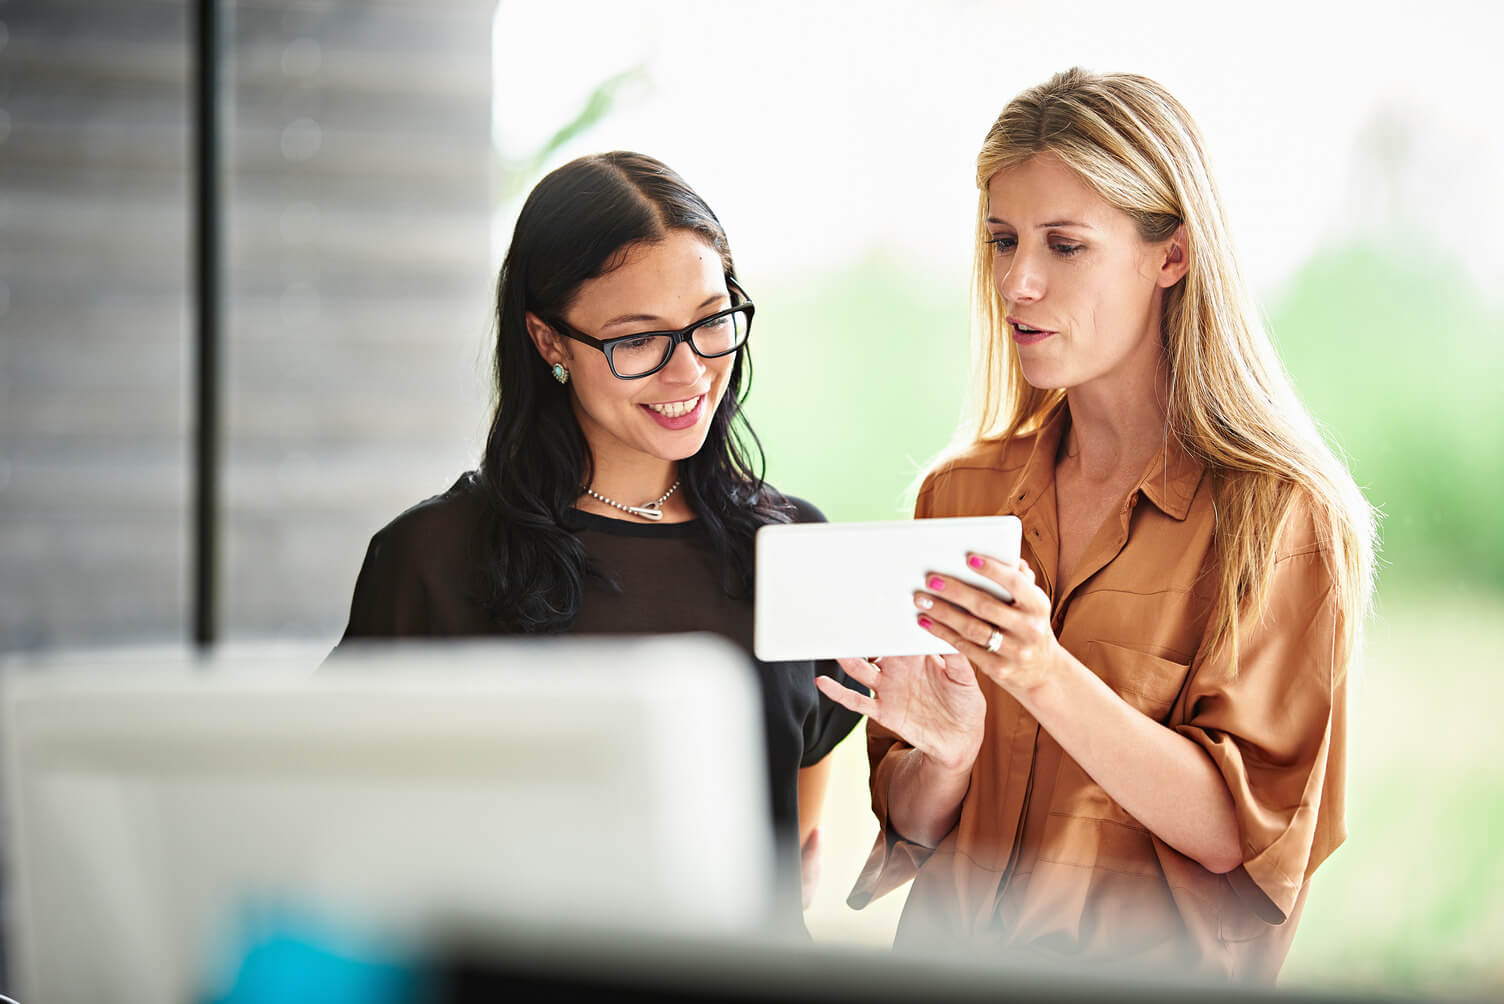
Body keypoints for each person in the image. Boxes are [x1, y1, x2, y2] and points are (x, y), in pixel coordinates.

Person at [816, 69, 1376, 981]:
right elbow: (911, 825)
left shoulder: (1278, 519)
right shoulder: (956, 496)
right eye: (1002, 240)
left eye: (1066, 246)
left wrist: (1040, 673)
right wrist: (948, 762)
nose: (1018, 282)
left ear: (1173, 255)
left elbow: (1240, 835)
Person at [334, 151, 863, 927]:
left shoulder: (792, 545)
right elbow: (346, 836)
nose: (688, 373)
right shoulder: (432, 559)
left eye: (712, 321)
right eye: (637, 340)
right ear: (549, 342)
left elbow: (797, 817)